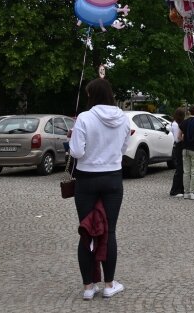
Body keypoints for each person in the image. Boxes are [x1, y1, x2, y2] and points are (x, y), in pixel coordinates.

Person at [69, 78, 130, 300]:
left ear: (92, 95)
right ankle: (109, 284)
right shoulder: (123, 119)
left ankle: (88, 287)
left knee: (86, 231)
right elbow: (124, 147)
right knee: (109, 231)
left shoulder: (85, 118)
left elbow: (76, 152)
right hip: (113, 178)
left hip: (87, 179)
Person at [168, 107, 186, 198]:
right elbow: (178, 138)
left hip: (178, 146)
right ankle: (175, 190)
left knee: (181, 168)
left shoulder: (176, 123)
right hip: (178, 146)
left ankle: (180, 188)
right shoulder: (176, 125)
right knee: (179, 169)